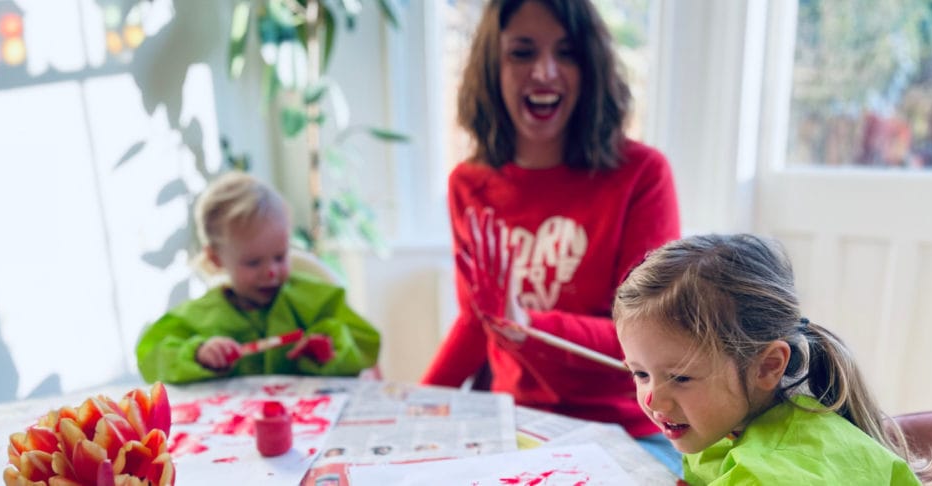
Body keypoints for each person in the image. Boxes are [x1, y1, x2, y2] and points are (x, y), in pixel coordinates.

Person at [420, 0, 682, 474]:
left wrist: (529, 325)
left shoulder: (642, 175)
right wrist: (415, 407)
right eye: (522, 52)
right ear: (491, 67)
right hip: (510, 423)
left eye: (567, 52)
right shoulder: (468, 183)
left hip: (628, 427)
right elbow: (479, 321)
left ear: (591, 66)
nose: (544, 72)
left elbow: (651, 340)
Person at [613, 234, 932, 485]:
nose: (652, 398)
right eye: (640, 374)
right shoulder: (729, 423)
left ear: (768, 366)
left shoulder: (769, 475)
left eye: (681, 378)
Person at [136, 172, 380, 384]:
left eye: (280, 256)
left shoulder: (315, 300)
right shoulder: (201, 315)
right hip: (233, 430)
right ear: (215, 259)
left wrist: (331, 348)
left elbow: (366, 345)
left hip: (310, 424)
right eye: (253, 262)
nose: (271, 271)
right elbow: (152, 355)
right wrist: (198, 353)